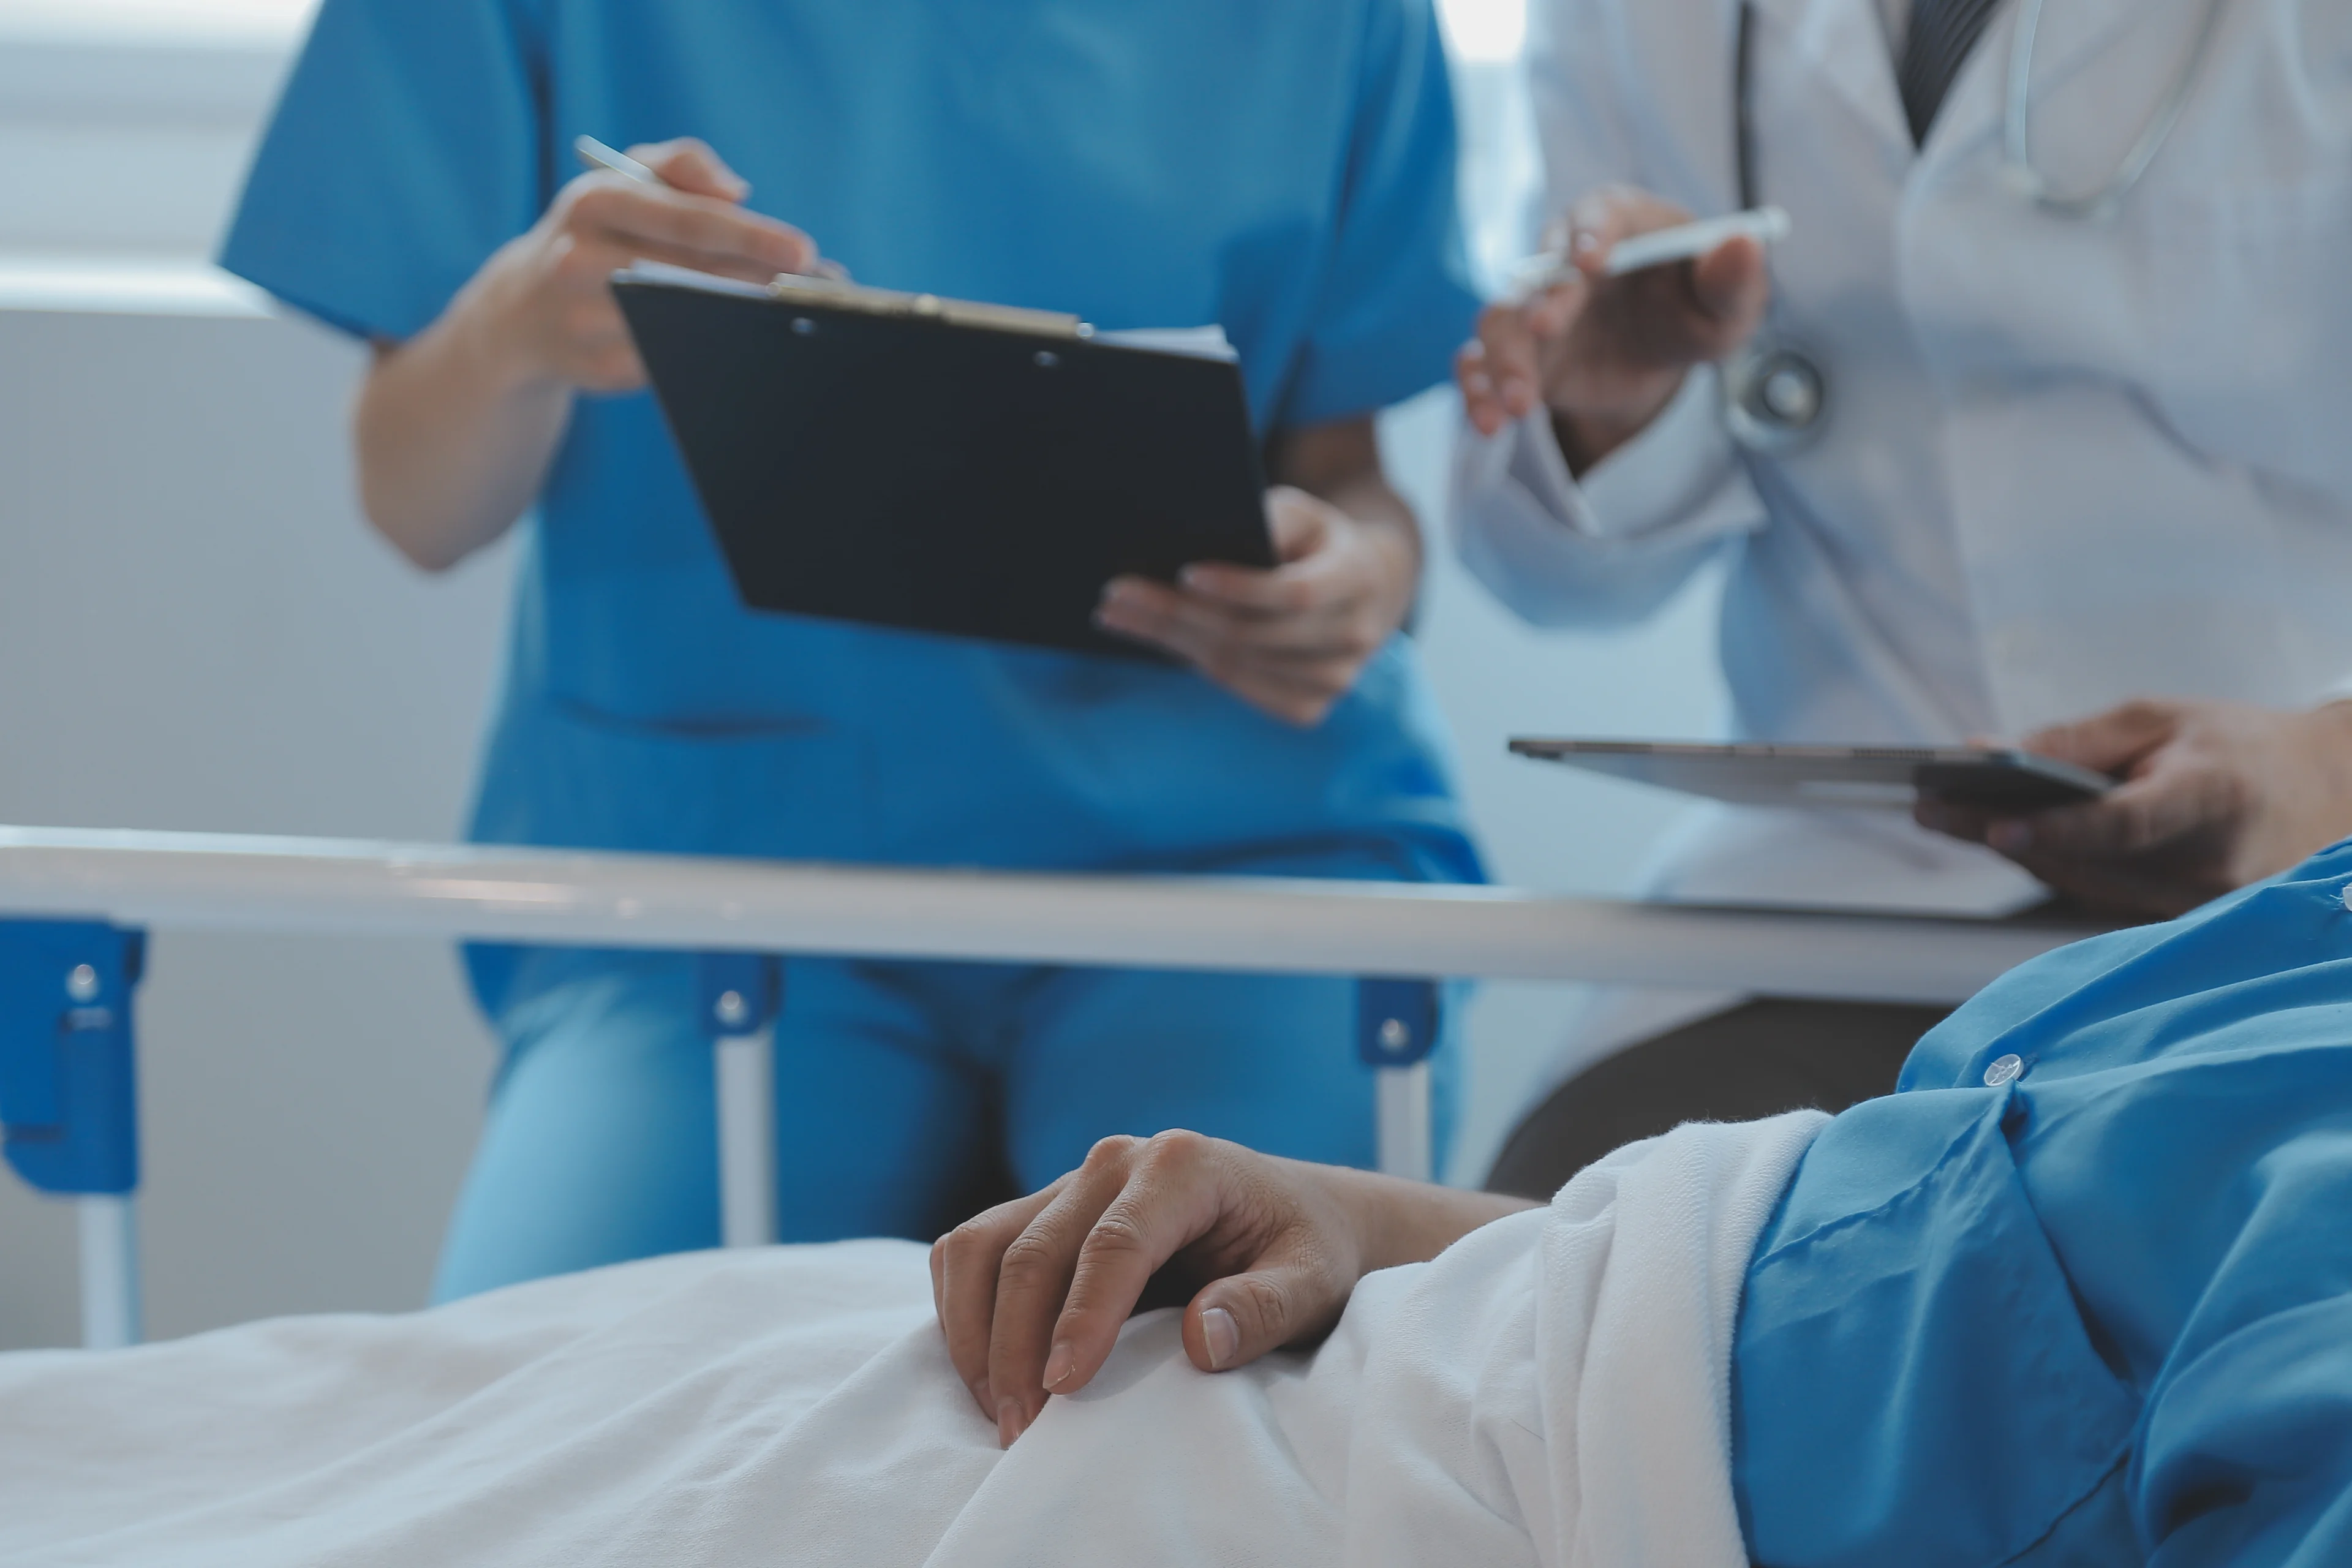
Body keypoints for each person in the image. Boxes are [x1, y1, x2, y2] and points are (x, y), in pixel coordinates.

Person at [10, 842, 2352, 1565]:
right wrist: (1391, 1216)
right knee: (403, 1424)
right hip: (1499, 1313)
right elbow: (1939, 1226)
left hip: (1507, 1487)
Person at [216, 0, 1488, 1298]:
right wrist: (518, 327)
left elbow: (1352, 482)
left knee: (1204, 1401)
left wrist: (1352, 577)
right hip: (714, 879)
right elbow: (414, 502)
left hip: (1235, 861)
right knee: (549, 1409)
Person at [1449, 0, 2352, 1193]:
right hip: (1846, 898)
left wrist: (2325, 768)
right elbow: (1546, 571)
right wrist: (1614, 408)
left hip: (2300, 908)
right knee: (1568, 1274)